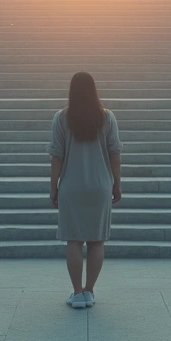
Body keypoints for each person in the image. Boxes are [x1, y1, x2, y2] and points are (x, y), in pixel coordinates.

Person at [48, 71, 122, 309]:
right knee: (96, 241)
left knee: (73, 240)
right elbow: (114, 152)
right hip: (100, 186)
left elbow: (56, 156)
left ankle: (77, 292)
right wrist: (117, 183)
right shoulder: (107, 117)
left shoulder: (61, 118)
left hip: (72, 186)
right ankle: (89, 291)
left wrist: (53, 187)